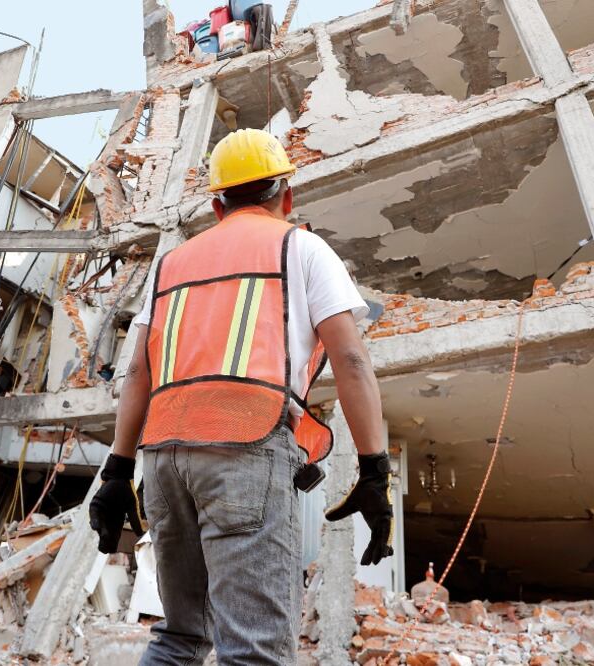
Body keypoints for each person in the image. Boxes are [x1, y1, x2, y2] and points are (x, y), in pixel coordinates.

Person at [89, 128, 393, 665]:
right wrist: (374, 471)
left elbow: (137, 369)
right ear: (286, 195)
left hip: (163, 459)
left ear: (216, 204)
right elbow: (350, 360)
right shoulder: (300, 246)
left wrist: (116, 470)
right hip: (246, 450)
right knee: (253, 650)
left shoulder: (171, 264)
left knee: (181, 636)